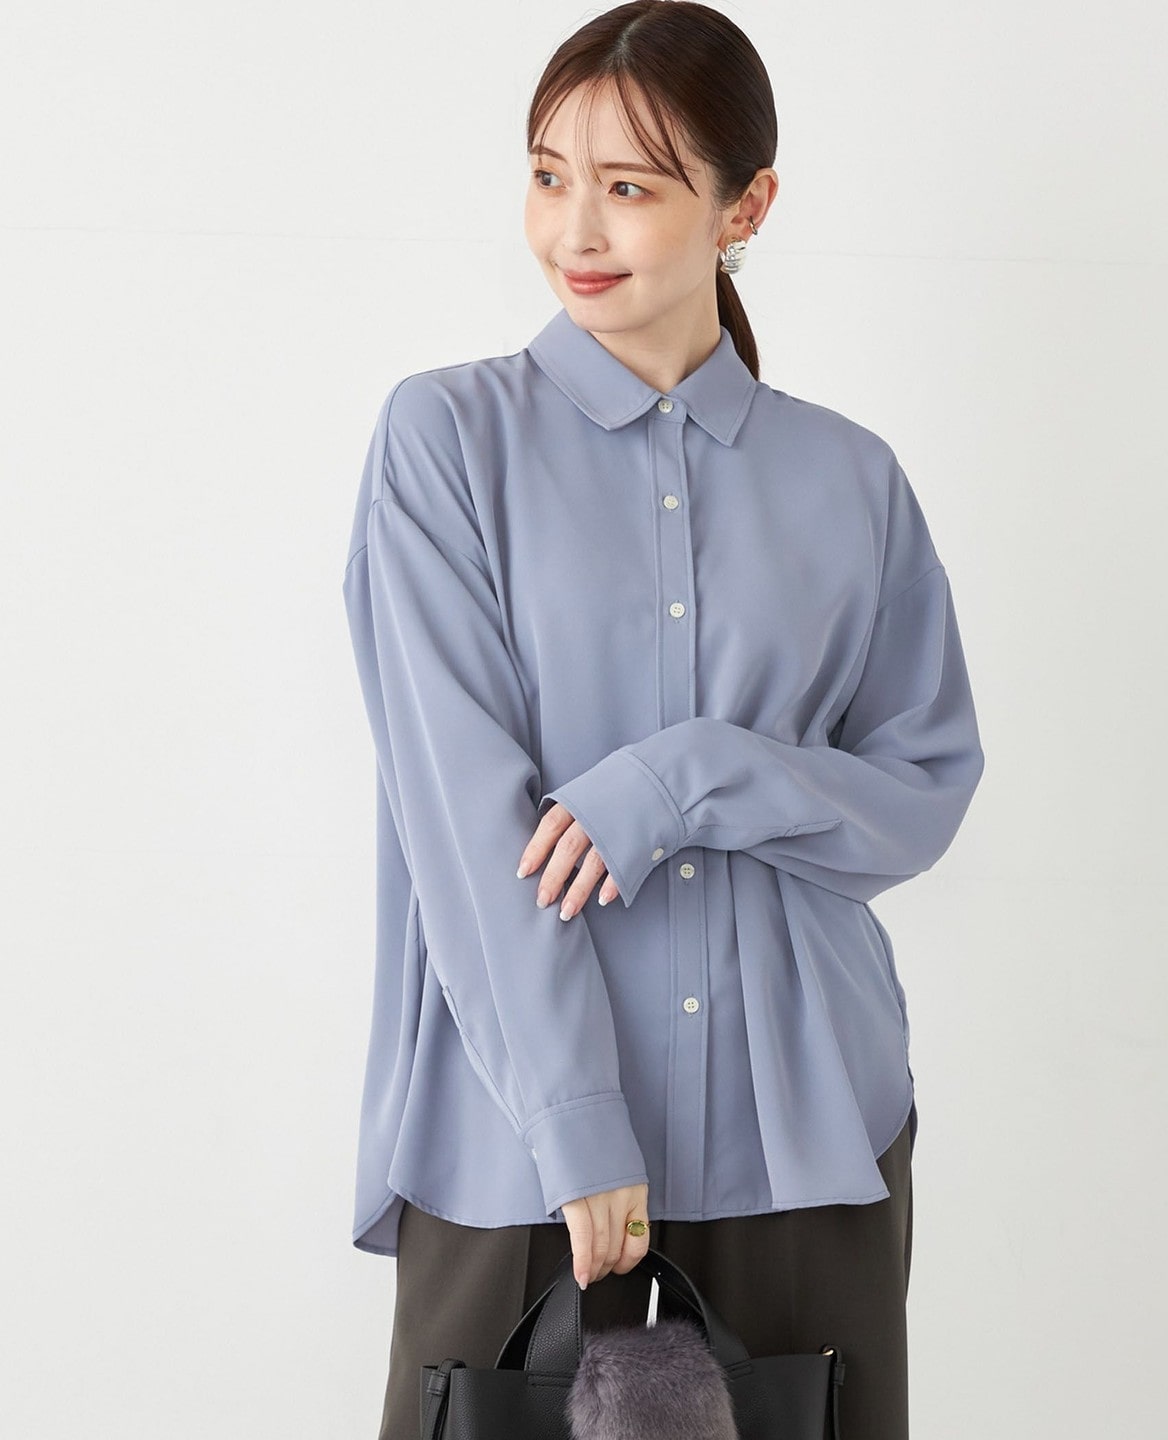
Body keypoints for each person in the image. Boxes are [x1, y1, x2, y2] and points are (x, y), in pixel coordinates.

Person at [340, 4, 986, 1438]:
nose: (576, 227)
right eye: (548, 175)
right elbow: (462, 822)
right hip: (519, 1147)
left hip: (804, 1139)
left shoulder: (851, 481)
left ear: (745, 207)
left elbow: (921, 789)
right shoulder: (446, 443)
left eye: (628, 186)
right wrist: (576, 1121)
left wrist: (691, 777)